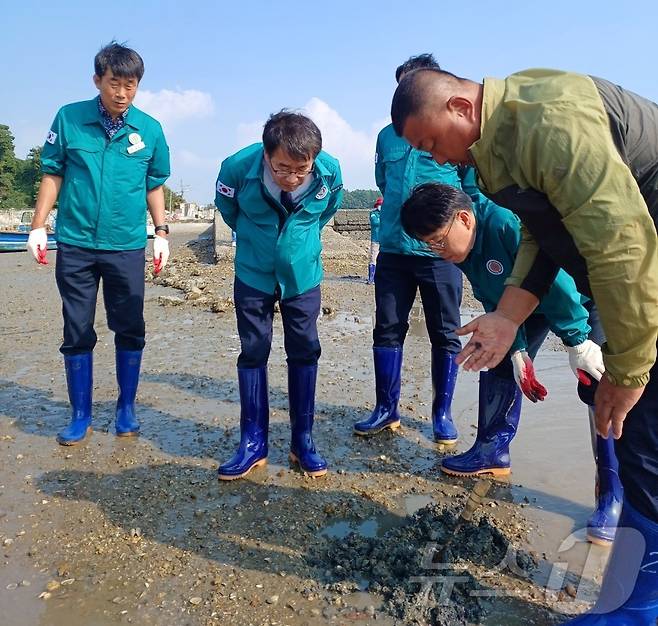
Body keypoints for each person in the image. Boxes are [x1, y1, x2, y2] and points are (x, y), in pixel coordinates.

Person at [391, 67, 658, 623]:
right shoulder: (500, 147)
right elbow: (546, 233)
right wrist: (509, 319)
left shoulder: (552, 124)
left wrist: (626, 369)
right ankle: (636, 595)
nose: (436, 159)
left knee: (642, 429)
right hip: (631, 265)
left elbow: (623, 248)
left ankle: (642, 607)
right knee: (641, 441)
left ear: (462, 108)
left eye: (431, 142)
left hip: (643, 262)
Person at [401, 180, 621, 546]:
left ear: (465, 219)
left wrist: (577, 340)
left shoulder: (503, 221)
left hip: (582, 295)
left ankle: (611, 491)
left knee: (598, 383)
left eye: (439, 240)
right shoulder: (462, 251)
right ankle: (492, 449)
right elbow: (493, 298)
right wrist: (516, 351)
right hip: (521, 304)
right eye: (428, 245)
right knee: (495, 355)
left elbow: (559, 283)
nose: (437, 251)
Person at [27, 42, 170, 445]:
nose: (121, 93)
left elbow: (154, 184)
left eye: (130, 85)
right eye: (114, 83)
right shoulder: (69, 119)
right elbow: (52, 173)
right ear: (97, 80)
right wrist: (38, 226)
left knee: (129, 326)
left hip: (126, 245)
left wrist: (160, 233)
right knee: (76, 329)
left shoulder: (150, 129)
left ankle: (126, 407)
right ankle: (80, 414)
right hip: (75, 243)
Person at [214, 111, 342, 480]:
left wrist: (297, 243)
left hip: (302, 275)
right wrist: (260, 240)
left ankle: (303, 440)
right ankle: (253, 442)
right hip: (253, 272)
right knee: (253, 350)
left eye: (302, 170)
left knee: (304, 348)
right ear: (266, 155)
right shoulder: (237, 169)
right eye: (282, 168)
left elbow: (327, 210)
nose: (292, 178)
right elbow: (229, 211)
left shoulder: (329, 172)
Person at [354, 54, 463, 445]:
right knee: (387, 329)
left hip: (440, 255)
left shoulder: (453, 132)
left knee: (446, 333)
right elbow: (384, 180)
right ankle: (386, 409)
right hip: (395, 252)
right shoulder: (387, 135)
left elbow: (472, 188)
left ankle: (442, 413)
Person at [367, 196, 382, 284]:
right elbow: (375, 222)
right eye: (379, 205)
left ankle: (379, 277)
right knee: (373, 258)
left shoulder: (385, 214)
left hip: (383, 240)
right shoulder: (373, 213)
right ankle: (371, 278)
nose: (380, 206)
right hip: (375, 240)